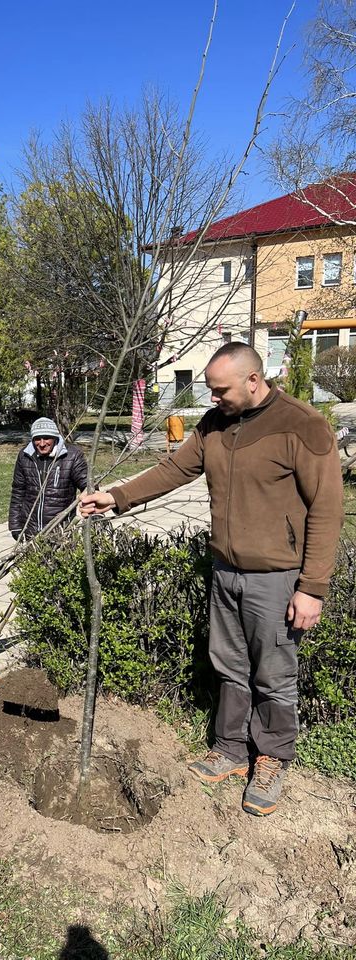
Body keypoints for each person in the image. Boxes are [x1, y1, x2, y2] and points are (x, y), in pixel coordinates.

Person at [80, 343, 343, 816]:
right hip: (225, 570)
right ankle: (230, 750)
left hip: (278, 576)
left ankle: (274, 758)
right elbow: (175, 469)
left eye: (220, 389)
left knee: (274, 674)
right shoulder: (213, 425)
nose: (212, 397)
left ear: (253, 381)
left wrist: (312, 588)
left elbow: (327, 510)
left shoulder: (302, 426)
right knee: (228, 663)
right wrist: (116, 497)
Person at [9, 416, 89, 540]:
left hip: (61, 529)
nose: (42, 444)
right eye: (37, 439)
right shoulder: (24, 455)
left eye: (46, 438)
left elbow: (89, 487)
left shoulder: (72, 456)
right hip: (31, 529)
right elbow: (18, 491)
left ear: (55, 438)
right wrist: (15, 526)